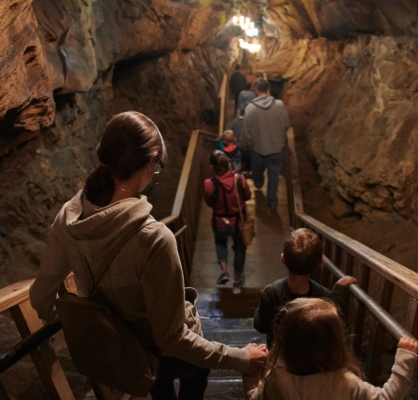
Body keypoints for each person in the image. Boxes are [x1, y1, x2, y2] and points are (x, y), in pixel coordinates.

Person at [29, 111, 266, 400]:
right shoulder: (153, 239)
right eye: (157, 166)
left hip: (129, 352)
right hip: (170, 354)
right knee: (195, 374)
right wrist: (242, 357)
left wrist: (88, 329)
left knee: (157, 388)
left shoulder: (68, 220)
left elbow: (40, 297)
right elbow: (173, 338)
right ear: (151, 159)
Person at [244, 298, 418, 399]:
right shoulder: (344, 383)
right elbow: (387, 397)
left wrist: (250, 371)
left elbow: (252, 397)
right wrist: (405, 357)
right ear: (335, 343)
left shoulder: (275, 380)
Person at [254, 228, 357, 349]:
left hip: (279, 359)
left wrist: (259, 311)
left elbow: (261, 326)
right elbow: (334, 321)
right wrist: (339, 292)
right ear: (320, 263)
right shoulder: (324, 296)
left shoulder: (271, 292)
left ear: (283, 259)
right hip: (312, 362)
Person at [203, 150, 252, 287]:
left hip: (219, 221)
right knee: (240, 248)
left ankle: (224, 272)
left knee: (220, 244)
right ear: (228, 165)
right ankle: (237, 277)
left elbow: (209, 203)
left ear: (212, 166)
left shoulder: (208, 183)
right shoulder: (240, 179)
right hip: (238, 222)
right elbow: (247, 196)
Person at [241, 79, 290, 211]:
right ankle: (272, 202)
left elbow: (246, 131)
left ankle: (258, 184)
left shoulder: (250, 108)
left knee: (257, 170)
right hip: (277, 149)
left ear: (256, 90)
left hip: (258, 149)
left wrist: (246, 143)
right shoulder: (279, 105)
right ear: (267, 89)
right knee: (274, 176)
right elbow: (286, 125)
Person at [227, 107, 250, 171]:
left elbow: (227, 131)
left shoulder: (234, 122)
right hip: (247, 150)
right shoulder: (249, 123)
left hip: (235, 149)